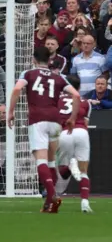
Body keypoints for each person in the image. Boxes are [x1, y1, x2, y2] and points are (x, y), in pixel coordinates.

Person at [7, 46, 81, 213]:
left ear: (34, 59)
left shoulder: (28, 74)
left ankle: (53, 194)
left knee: (40, 161)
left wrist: (11, 112)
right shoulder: (58, 77)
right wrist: (72, 118)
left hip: (37, 120)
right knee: (51, 162)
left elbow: (17, 89)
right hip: (55, 120)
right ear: (49, 60)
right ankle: (49, 204)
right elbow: (76, 95)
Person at [55, 75, 93, 213]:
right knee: (84, 171)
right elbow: (86, 123)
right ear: (80, 87)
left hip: (65, 133)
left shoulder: (57, 100)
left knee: (62, 170)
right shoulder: (86, 102)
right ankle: (84, 202)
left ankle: (70, 166)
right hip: (82, 132)